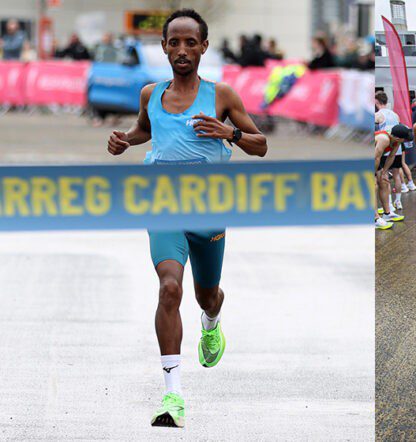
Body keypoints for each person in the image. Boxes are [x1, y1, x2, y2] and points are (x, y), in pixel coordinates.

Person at [106, 9, 268, 428]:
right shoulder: (150, 94)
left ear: (203, 47)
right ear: (163, 47)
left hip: (209, 208)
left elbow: (261, 145)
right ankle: (173, 394)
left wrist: (228, 133)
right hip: (162, 203)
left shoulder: (222, 96)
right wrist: (125, 140)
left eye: (190, 42)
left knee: (205, 294)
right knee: (169, 288)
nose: (181, 50)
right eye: (173, 42)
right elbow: (146, 130)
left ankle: (212, 319)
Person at [374, 125, 409, 229]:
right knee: (373, 185)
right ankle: (375, 218)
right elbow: (376, 158)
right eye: (404, 138)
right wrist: (375, 174)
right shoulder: (384, 139)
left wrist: (384, 172)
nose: (405, 140)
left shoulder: (397, 141)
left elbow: (391, 156)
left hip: (374, 159)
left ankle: (387, 214)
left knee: (384, 182)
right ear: (398, 137)